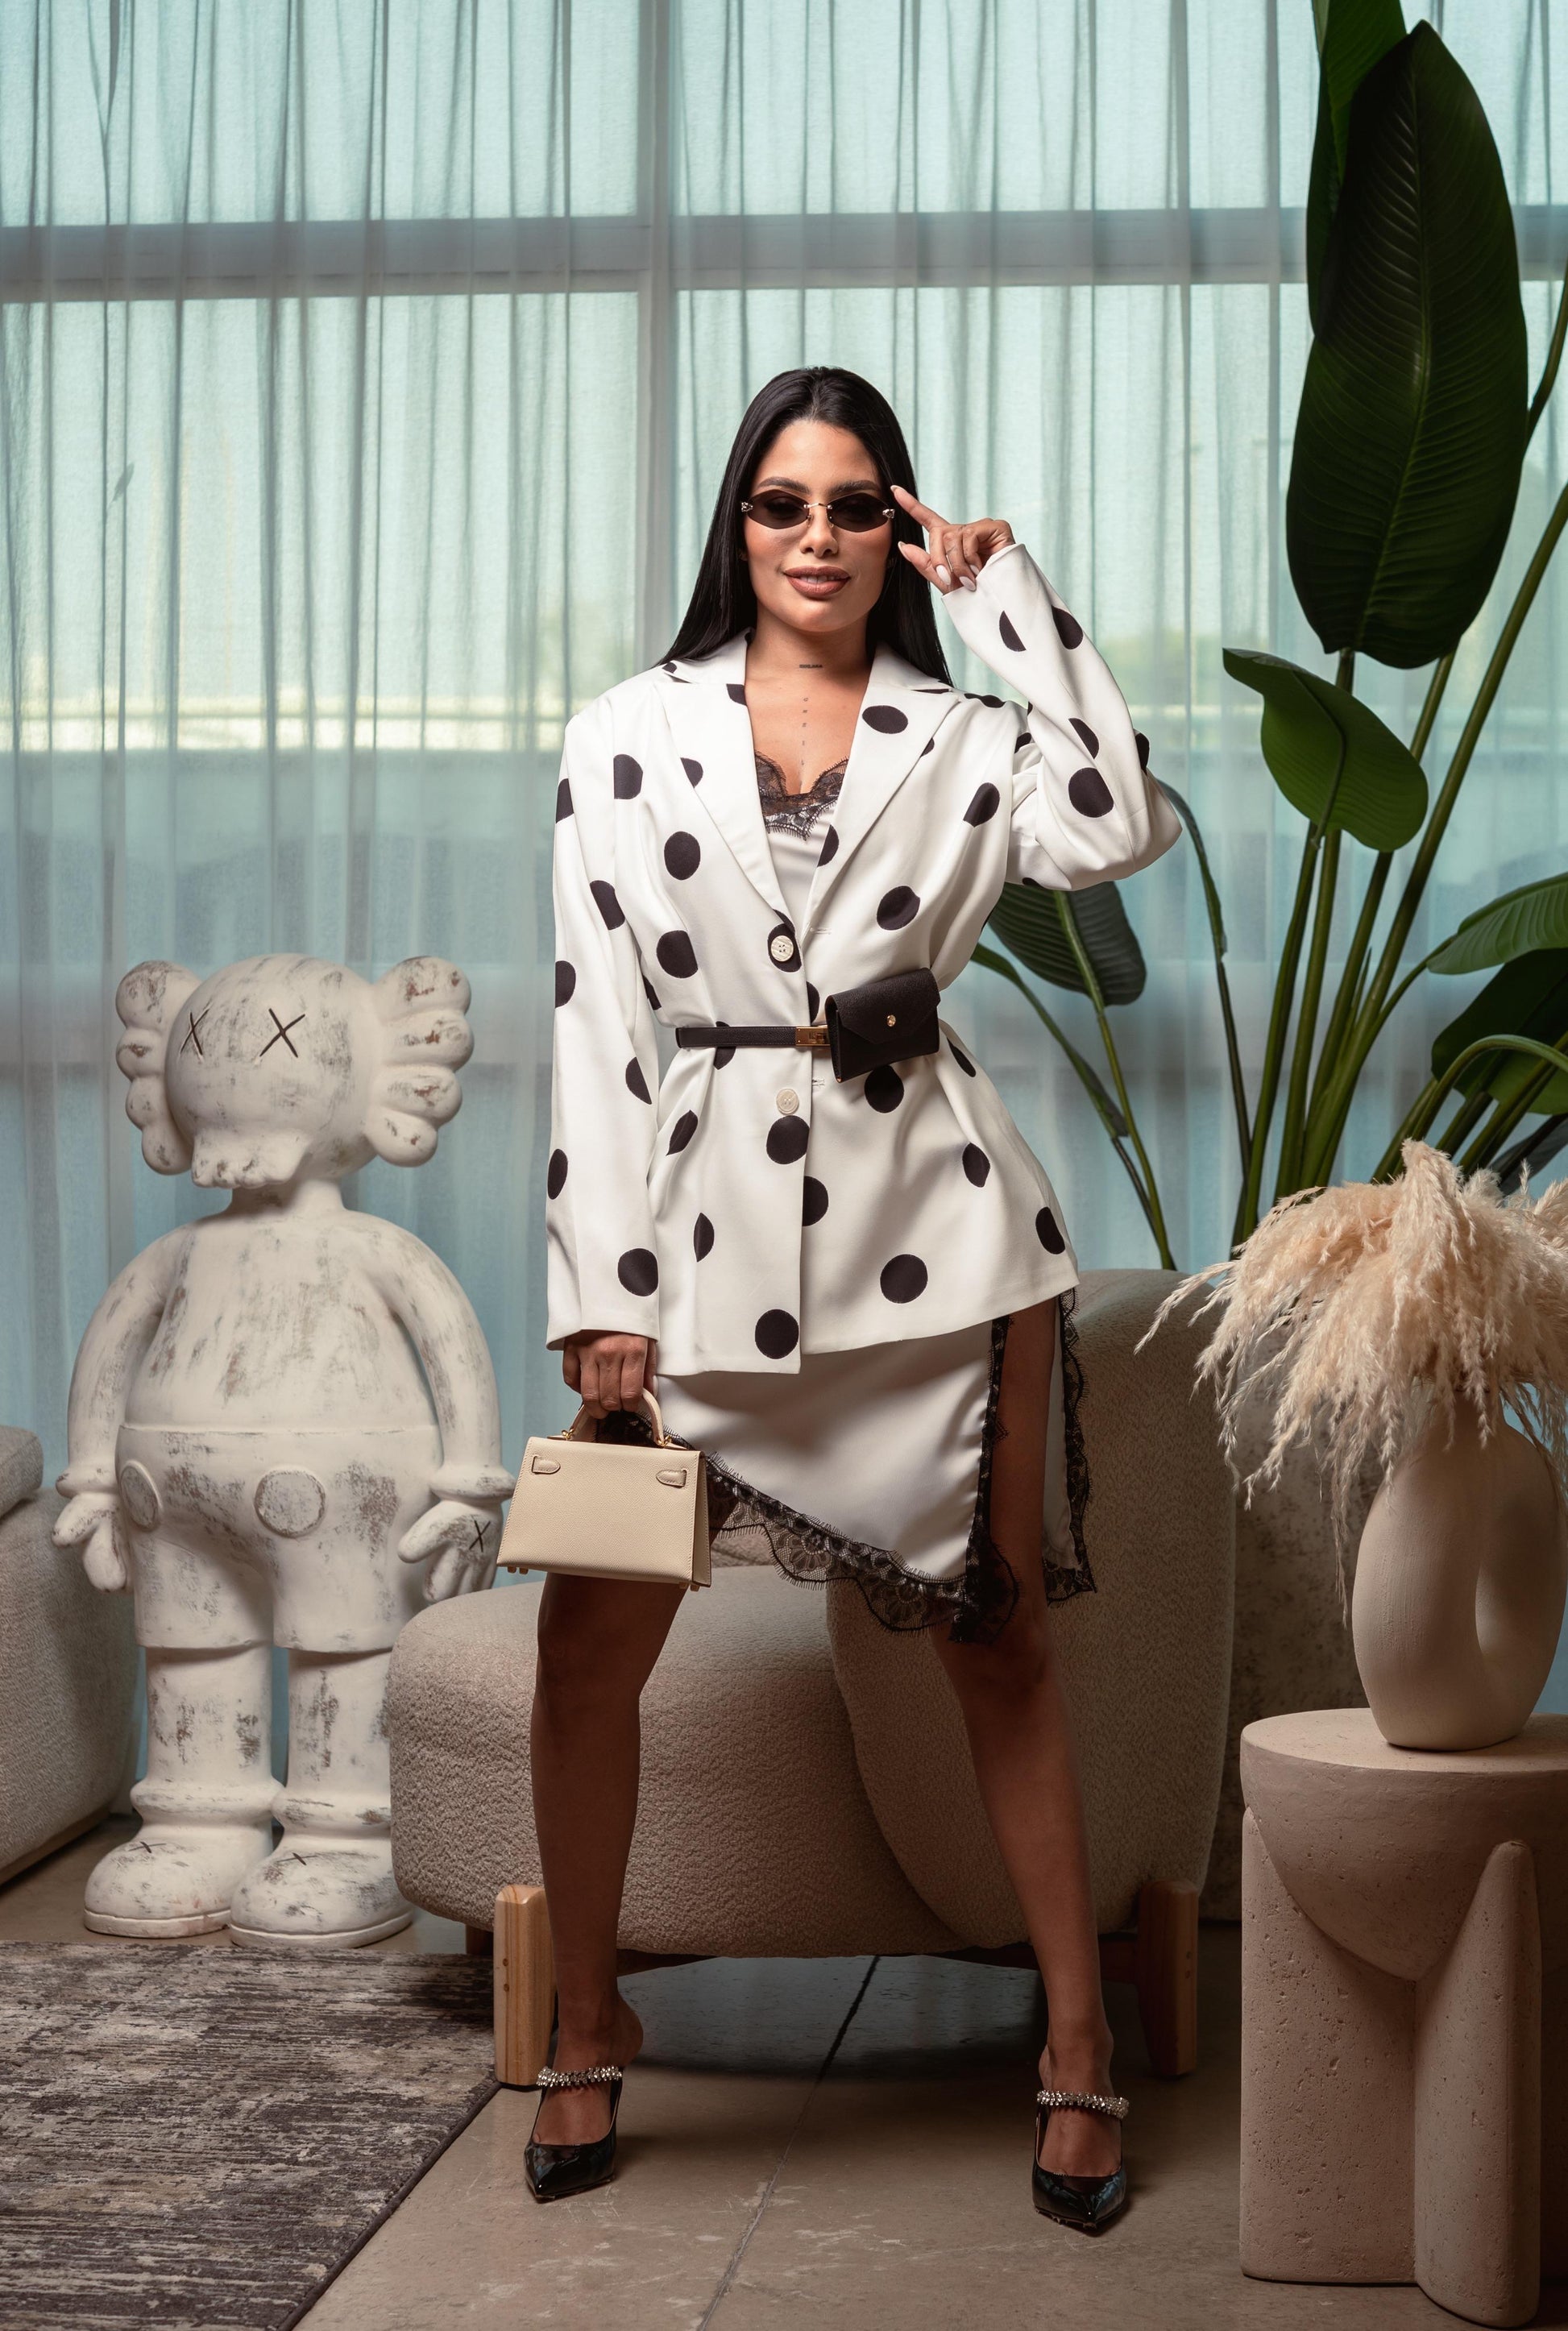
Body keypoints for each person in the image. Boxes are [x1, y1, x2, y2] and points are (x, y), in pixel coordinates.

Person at [529, 366, 1182, 2229]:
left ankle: (1076, 2044)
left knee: (997, 1639)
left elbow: (1117, 819)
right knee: (589, 1640)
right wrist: (599, 1286)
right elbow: (595, 1018)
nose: (812, 538)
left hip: (939, 1231)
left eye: (849, 504)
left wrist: (1007, 596)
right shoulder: (622, 734)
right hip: (692, 1242)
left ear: (894, 526)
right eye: (778, 503)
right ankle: (584, 2015)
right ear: (735, 524)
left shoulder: (964, 733)